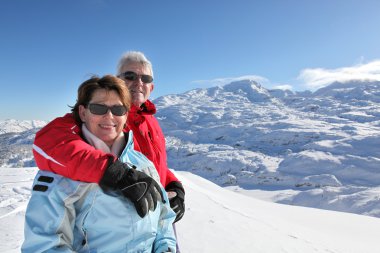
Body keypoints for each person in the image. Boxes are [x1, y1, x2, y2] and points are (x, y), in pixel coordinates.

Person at [22, 75, 177, 252]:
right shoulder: (61, 173)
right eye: (98, 108)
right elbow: (44, 245)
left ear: (126, 115)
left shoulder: (143, 164)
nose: (109, 116)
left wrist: (166, 248)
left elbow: (163, 220)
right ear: (83, 112)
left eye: (118, 110)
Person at [33, 51, 185, 223]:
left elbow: (153, 164)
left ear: (152, 87)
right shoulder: (100, 116)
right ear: (117, 80)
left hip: (156, 217)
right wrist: (113, 172)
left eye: (146, 79)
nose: (138, 83)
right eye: (130, 76)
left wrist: (173, 185)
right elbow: (49, 142)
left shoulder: (151, 122)